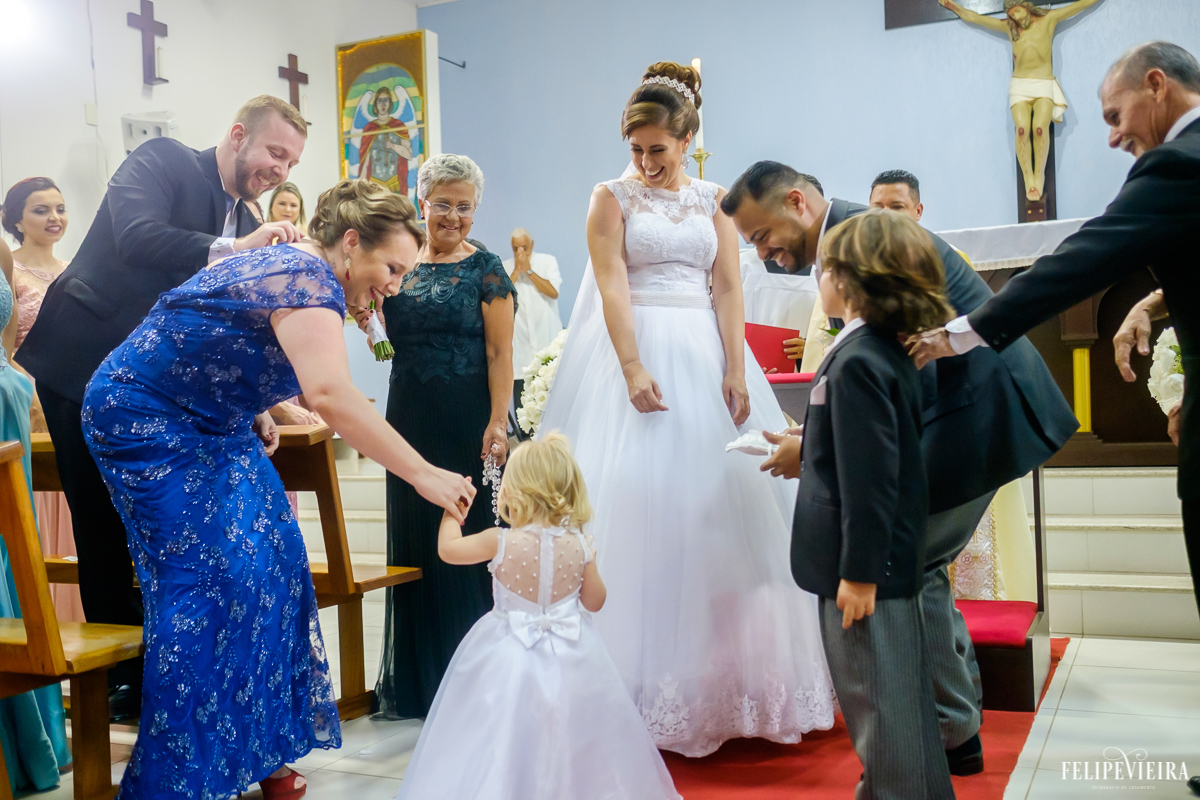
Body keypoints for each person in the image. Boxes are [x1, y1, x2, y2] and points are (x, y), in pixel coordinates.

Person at [81, 179, 476, 800]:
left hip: (216, 418)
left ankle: (263, 754)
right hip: (145, 414)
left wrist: (257, 402)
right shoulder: (307, 276)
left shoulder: (307, 275)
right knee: (207, 583)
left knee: (280, 564)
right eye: (391, 267)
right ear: (351, 243)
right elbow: (329, 395)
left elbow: (223, 334)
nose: (395, 284)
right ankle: (176, 779)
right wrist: (425, 474)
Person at [724, 160, 1077, 774]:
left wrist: (811, 451)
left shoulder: (864, 246)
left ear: (797, 203)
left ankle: (911, 754)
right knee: (925, 568)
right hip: (965, 413)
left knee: (898, 571)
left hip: (977, 412)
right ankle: (952, 731)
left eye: (760, 235)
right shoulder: (851, 239)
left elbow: (890, 391)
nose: (761, 254)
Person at [536, 62, 835, 757]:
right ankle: (632, 687)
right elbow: (610, 283)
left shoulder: (715, 200)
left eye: (658, 150)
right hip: (635, 351)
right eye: (636, 150)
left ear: (688, 138)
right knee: (639, 504)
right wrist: (632, 362)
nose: (644, 163)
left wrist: (735, 364)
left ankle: (727, 682)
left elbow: (728, 286)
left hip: (704, 353)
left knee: (722, 509)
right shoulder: (610, 197)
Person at [15, 95, 308, 720]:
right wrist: (237, 249)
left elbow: (214, 319)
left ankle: (168, 671)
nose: (282, 170)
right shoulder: (163, 158)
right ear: (237, 135)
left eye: (291, 161)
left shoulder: (243, 212)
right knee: (101, 523)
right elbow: (138, 237)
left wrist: (250, 402)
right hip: (80, 362)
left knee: (157, 525)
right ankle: (122, 680)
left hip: (153, 387)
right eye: (275, 152)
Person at [910, 39, 1200, 629]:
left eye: (1114, 116)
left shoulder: (1177, 162)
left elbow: (1086, 257)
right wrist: (1155, 299)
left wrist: (963, 332)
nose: (1113, 138)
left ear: (1156, 84)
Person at [398, 434, 681, 800]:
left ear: (514, 492)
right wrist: (590, 559)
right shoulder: (580, 545)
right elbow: (595, 602)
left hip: (506, 651)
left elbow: (448, 550)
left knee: (502, 728)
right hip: (574, 654)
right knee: (573, 729)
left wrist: (453, 512)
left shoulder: (497, 540)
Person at [793, 209, 956, 799]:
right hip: (880, 566)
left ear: (850, 279)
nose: (819, 278)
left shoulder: (861, 359)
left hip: (865, 573)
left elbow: (872, 479)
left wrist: (859, 573)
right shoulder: (886, 349)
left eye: (824, 268)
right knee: (895, 706)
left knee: (881, 710)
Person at [359, 153, 516, 720]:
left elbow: (501, 352)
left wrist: (499, 420)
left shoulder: (488, 268)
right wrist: (371, 324)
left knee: (469, 537)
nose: (453, 216)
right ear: (421, 201)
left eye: (464, 206)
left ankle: (477, 678)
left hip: (468, 416)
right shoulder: (399, 264)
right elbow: (385, 352)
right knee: (419, 543)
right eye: (442, 204)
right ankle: (424, 681)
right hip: (410, 418)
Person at [869, 170, 1037, 603]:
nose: (885, 217)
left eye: (897, 207)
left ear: (919, 211)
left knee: (936, 555)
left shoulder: (945, 259)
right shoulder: (862, 268)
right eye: (877, 207)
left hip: (958, 414)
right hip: (909, 416)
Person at [0, 238, 71, 796]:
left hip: (6, 397)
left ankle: (38, 736)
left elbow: (9, 342)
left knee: (13, 548)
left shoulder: (0, 248)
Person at [0, 177, 82, 622]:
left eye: (60, 208)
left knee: (73, 503)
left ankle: (73, 614)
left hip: (72, 396)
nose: (54, 218)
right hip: (27, 396)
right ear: (16, 219)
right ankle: (39, 608)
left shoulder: (76, 267)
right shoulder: (8, 266)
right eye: (40, 210)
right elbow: (6, 343)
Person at [938, 0, 1103, 202]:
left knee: (1039, 129)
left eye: (1018, 12)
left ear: (1026, 6)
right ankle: (1029, 180)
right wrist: (953, 6)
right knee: (1022, 129)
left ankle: (1039, 176)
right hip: (1020, 85)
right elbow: (976, 18)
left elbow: (1079, 6)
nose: (1016, 17)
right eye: (1012, 15)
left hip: (1043, 83)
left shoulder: (1049, 19)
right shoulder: (1009, 28)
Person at [504, 227, 563, 410]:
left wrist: (529, 272)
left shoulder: (547, 262)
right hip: (520, 353)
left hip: (547, 346)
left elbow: (553, 292)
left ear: (532, 245)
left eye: (524, 247)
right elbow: (501, 298)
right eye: (516, 249)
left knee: (553, 408)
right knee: (524, 412)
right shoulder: (505, 267)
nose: (520, 252)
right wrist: (516, 271)